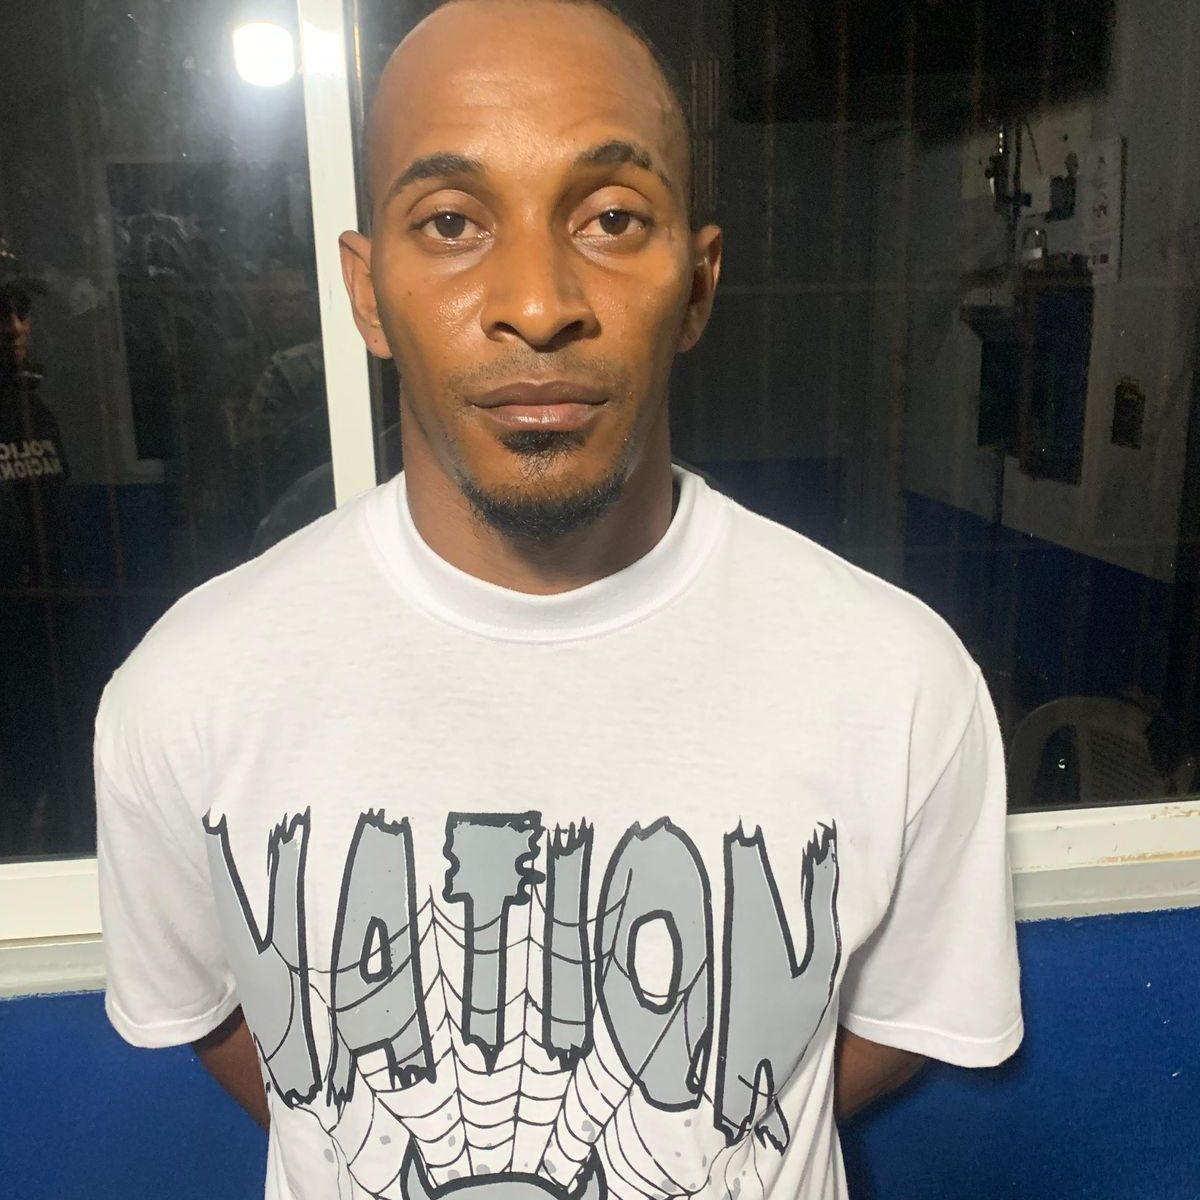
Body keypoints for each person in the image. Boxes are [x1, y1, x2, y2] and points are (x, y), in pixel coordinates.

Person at [95, 2, 1022, 1197]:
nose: (537, 303)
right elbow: (237, 1033)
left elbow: (878, 1035)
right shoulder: (187, 693)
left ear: (697, 285)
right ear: (368, 294)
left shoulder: (898, 682)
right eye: (451, 222)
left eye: (612, 218)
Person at [0, 241, 69, 856]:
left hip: (46, 634)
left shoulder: (36, 414)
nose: (16, 326)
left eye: (22, 310)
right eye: (3, 312)